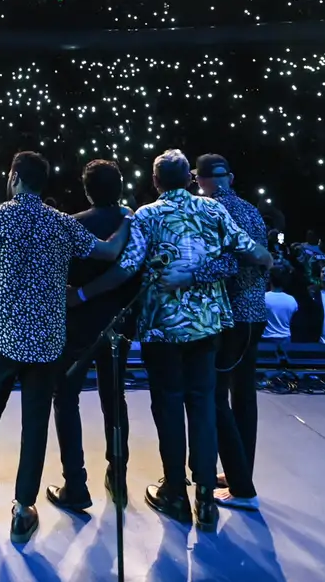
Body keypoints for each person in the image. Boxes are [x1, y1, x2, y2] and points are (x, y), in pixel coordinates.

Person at [0, 150, 130, 544]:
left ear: (14, 176)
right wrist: (127, 222)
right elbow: (108, 251)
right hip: (48, 341)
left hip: (0, 338)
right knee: (34, 425)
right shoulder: (60, 223)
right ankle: (22, 509)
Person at [130, 150, 271, 531]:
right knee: (206, 405)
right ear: (192, 180)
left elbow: (129, 264)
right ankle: (206, 496)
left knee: (170, 405)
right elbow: (257, 254)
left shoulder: (146, 215)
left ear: (156, 182)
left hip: (164, 327)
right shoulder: (217, 211)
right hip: (210, 326)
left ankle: (176, 490)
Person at [50, 160, 146, 514]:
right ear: (119, 188)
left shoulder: (72, 225)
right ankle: (117, 475)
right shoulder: (135, 225)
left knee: (65, 399)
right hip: (120, 326)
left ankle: (75, 484)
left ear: (86, 189)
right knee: (114, 398)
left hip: (77, 328)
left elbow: (60, 278)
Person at [195, 154, 272, 513]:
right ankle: (241, 472)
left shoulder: (213, 211)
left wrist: (189, 276)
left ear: (203, 180)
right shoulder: (251, 210)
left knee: (215, 397)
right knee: (244, 398)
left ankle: (240, 486)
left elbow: (227, 262)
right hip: (255, 314)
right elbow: (262, 258)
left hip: (231, 316)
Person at [263, 272, 298, 340]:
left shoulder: (264, 297)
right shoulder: (291, 299)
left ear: (270, 280)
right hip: (286, 338)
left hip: (267, 337)